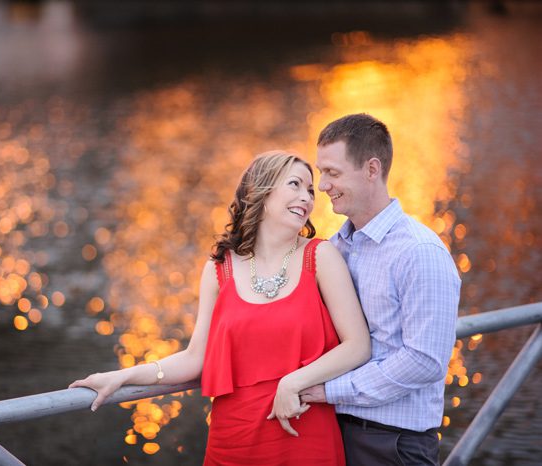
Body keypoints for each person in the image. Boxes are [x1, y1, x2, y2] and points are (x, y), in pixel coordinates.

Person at [69, 150, 371, 465]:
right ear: (261, 193)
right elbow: (195, 358)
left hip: (304, 434)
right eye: (295, 185)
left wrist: (292, 382)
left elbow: (358, 346)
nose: (307, 198)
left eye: (310, 190)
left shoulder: (321, 256)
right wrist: (122, 377)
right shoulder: (219, 269)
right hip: (234, 441)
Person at [300, 114, 461, 466]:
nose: (322, 185)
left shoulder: (420, 252)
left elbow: (424, 361)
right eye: (321, 172)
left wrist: (329, 392)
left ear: (372, 169)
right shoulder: (336, 248)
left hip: (394, 446)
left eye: (333, 173)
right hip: (334, 431)